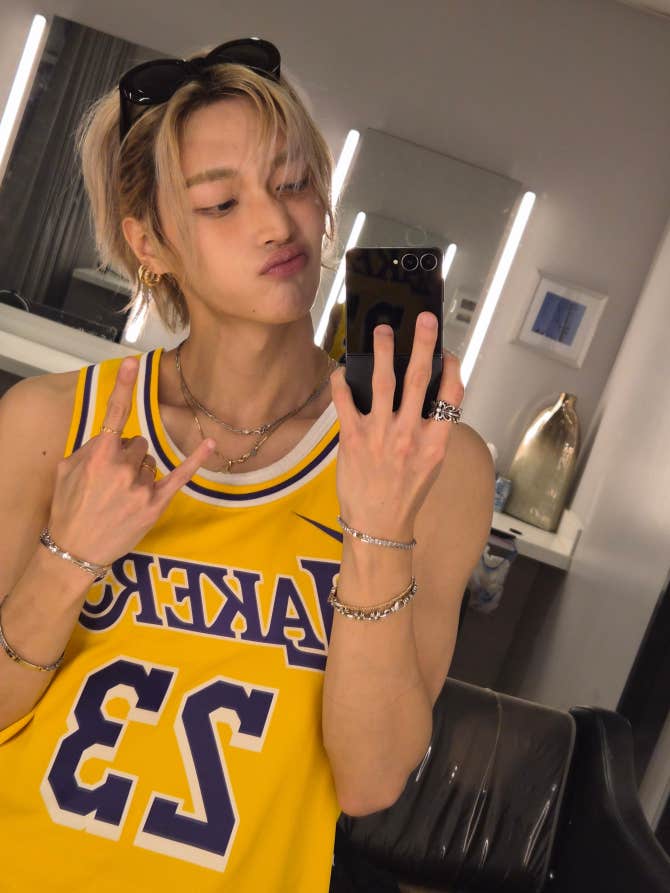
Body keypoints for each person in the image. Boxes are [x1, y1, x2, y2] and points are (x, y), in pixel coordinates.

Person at [0, 37, 494, 892]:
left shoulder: (437, 467)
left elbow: (370, 782)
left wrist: (379, 530)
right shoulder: (50, 424)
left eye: (293, 182)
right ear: (150, 240)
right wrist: (66, 557)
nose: (276, 223)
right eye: (221, 202)